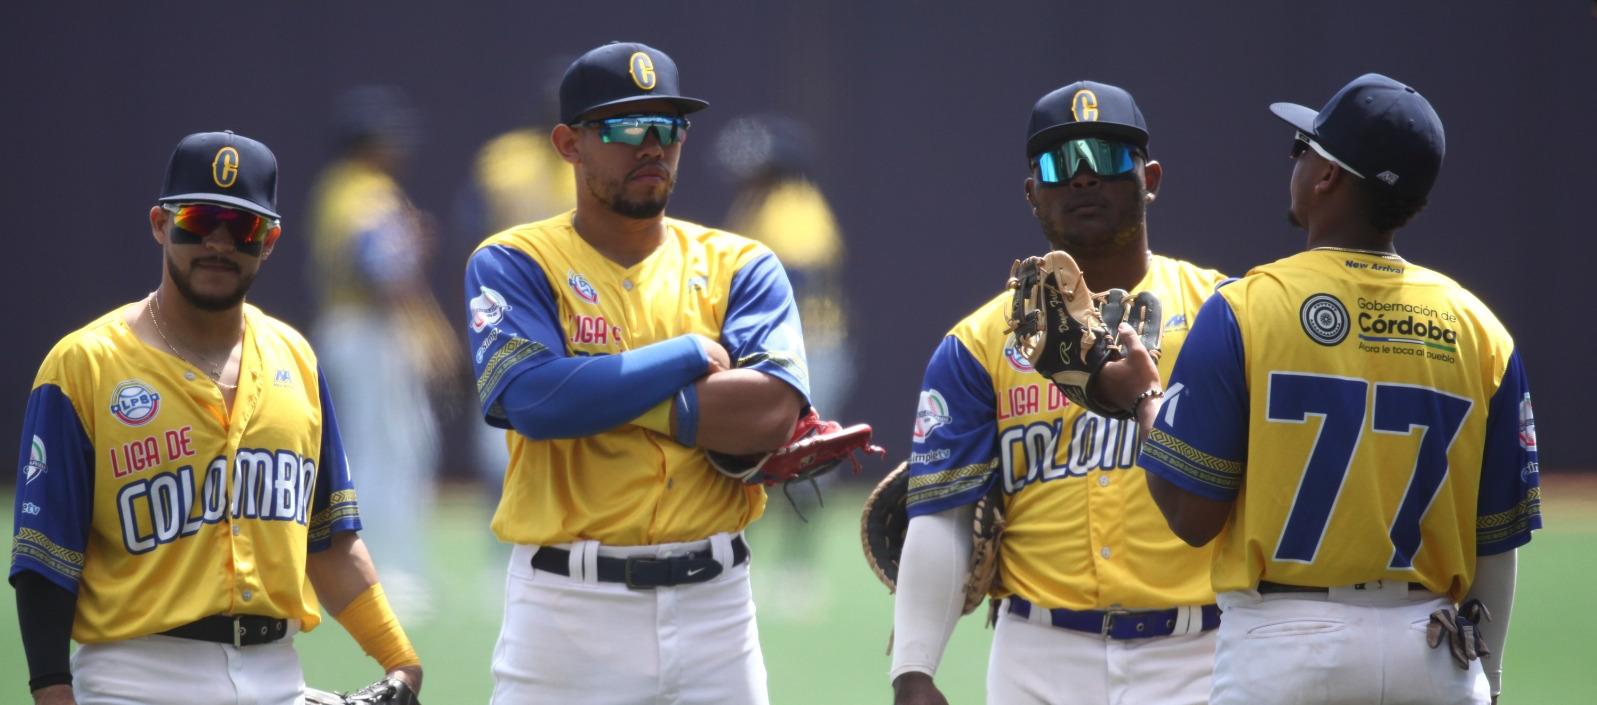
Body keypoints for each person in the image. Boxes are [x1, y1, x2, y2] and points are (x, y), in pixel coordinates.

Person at [1124, 73, 1541, 704]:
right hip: (1431, 646)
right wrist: (1490, 678)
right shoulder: (1481, 330)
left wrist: (1141, 400)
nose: (1295, 161)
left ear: (1327, 176)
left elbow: (1191, 516)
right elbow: (1496, 541)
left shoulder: (1244, 308)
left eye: (1303, 147)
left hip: (1285, 645)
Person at [10, 131, 422, 704]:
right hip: (136, 677)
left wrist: (401, 663)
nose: (219, 242)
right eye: (199, 220)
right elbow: (45, 557)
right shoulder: (85, 364)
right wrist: (52, 691)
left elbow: (329, 540)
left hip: (277, 674)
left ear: (270, 240)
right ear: (160, 224)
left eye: (242, 227)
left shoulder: (295, 358)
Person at [462, 42, 813, 704]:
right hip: (567, 610)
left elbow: (771, 412)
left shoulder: (741, 263)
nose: (653, 145)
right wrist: (685, 356)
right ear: (569, 144)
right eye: (626, 127)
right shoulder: (514, 260)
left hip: (716, 611)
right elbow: (535, 402)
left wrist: (596, 388)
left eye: (669, 126)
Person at [891, 82, 1227, 705]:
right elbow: (943, 514)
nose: (1082, 177)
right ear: (1031, 193)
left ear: (1150, 178)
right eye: (1058, 163)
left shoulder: (1224, 313)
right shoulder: (978, 343)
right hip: (1038, 656)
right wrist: (914, 670)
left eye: (1107, 156)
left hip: (1201, 652)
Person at [306, 85, 462, 619]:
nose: (398, 146)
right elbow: (381, 268)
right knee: (388, 450)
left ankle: (383, 571)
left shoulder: (338, 187)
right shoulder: (366, 190)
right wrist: (428, 329)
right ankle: (381, 576)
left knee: (389, 447)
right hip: (370, 331)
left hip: (353, 329)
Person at [715, 113, 857, 618]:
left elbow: (789, 283)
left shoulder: (795, 207)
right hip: (781, 350)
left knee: (805, 460)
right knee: (745, 459)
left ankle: (798, 571)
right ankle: (742, 559)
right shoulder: (756, 205)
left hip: (810, 350)